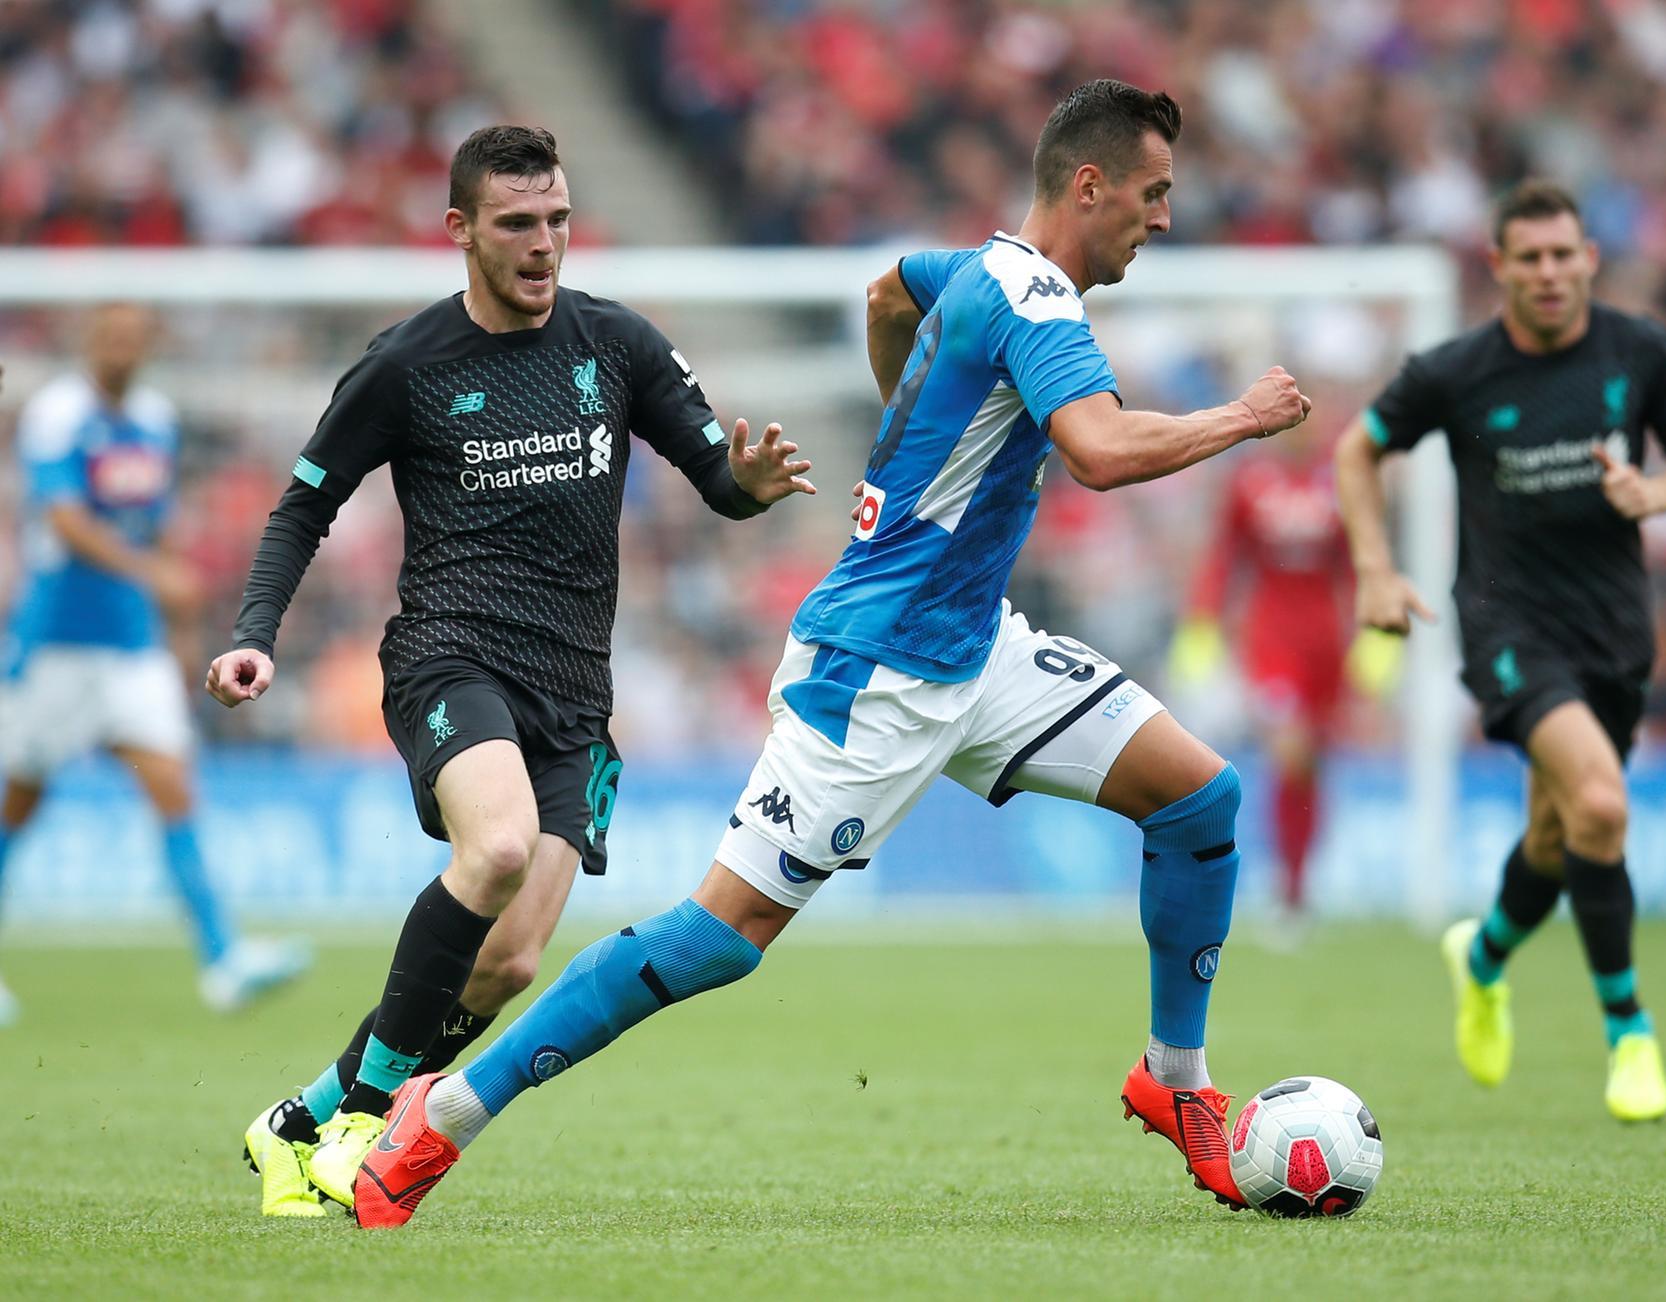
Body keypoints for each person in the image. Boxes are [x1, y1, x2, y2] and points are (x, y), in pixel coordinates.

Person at [350, 78, 1314, 1229]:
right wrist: (1244, 417)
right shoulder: (1037, 299)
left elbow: (884, 290)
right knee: (718, 940)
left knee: (1201, 802)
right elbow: (1099, 453)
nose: (1163, 218)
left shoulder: (977, 269)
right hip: (875, 673)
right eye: (1153, 194)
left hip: (976, 650)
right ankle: (442, 1114)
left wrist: (909, 433)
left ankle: (1177, 1078)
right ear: (1089, 184)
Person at [205, 125, 815, 1218]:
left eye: (559, 222)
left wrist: (751, 481)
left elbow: (716, 479)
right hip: (451, 657)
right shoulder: (406, 365)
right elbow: (306, 502)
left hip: (574, 694)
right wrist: (259, 629)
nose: (545, 245)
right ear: (462, 232)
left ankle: (300, 1116)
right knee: (489, 850)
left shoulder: (615, 344)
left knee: (509, 965)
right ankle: (359, 1128)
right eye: (519, 225)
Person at [1332, 180, 1666, 1121]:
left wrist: (1656, 496)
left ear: (1589, 258)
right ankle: (1629, 1032)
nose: (1550, 273)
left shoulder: (1640, 352)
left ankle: (1482, 959)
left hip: (1615, 634)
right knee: (1601, 802)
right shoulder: (1456, 372)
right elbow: (1358, 449)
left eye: (1565, 255)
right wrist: (1375, 570)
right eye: (1531, 258)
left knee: (1564, 834)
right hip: (1509, 629)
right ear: (1499, 267)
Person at [0, 305, 309, 1029]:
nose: (122, 350)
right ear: (89, 342)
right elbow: (66, 521)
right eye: (110, 337)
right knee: (20, 799)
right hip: (57, 643)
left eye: (135, 339)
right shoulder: (58, 414)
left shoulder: (154, 419)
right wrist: (154, 574)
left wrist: (176, 620)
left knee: (172, 780)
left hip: (130, 643)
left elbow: (159, 521)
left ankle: (222, 958)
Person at [1172, 425, 1350, 943]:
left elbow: (1355, 566)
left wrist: (1370, 640)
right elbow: (1225, 557)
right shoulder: (1251, 483)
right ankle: (1283, 888)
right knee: (1288, 751)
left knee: (1312, 768)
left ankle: (1299, 886)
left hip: (1327, 645)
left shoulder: (1336, 482)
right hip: (1272, 641)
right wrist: (1202, 623)